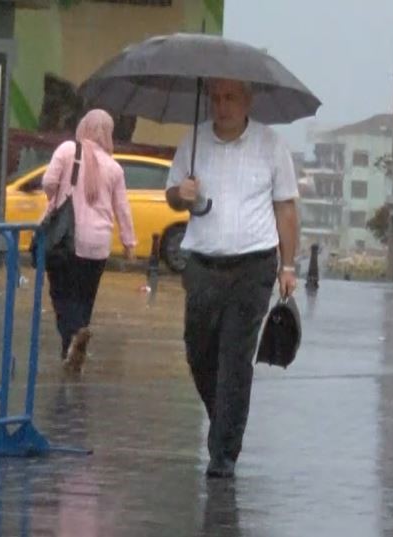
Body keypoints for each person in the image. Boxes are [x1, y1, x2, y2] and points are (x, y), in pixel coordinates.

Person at [166, 78, 299, 479]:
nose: (221, 106)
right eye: (215, 98)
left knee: (236, 358)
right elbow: (171, 195)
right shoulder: (193, 141)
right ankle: (224, 417)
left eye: (230, 98)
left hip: (253, 265)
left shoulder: (271, 146)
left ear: (247, 101)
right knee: (199, 350)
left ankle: (223, 452)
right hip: (203, 263)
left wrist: (287, 266)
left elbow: (286, 208)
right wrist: (181, 195)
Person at [42, 109, 136, 369]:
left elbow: (49, 182)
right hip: (98, 245)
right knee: (85, 297)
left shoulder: (67, 150)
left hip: (66, 239)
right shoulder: (114, 168)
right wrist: (129, 243)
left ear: (84, 126)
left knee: (61, 294)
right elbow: (122, 207)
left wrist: (58, 196)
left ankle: (74, 334)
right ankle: (72, 349)